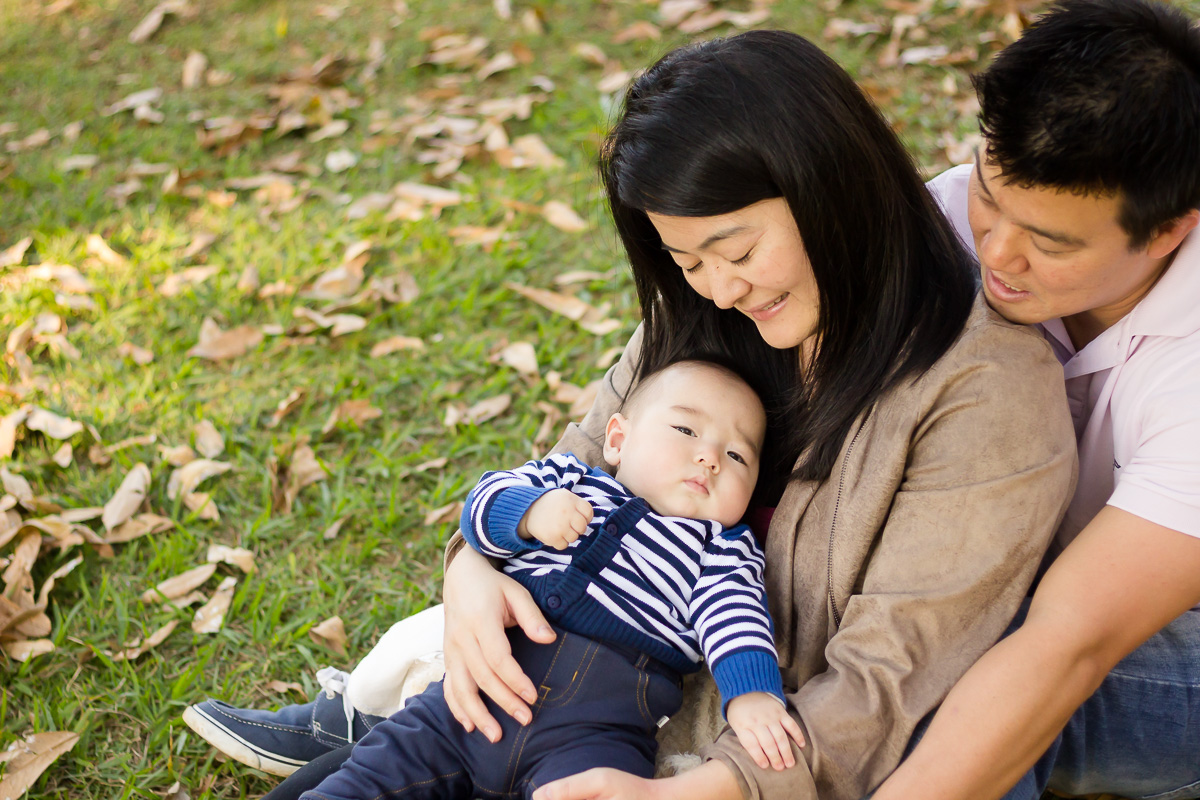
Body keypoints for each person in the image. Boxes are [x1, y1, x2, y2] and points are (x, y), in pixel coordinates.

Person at [185, 29, 1077, 800]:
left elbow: (890, 679)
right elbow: (571, 465)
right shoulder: (707, 318)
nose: (720, 290)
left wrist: (724, 781)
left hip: (739, 737)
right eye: (687, 259)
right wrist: (470, 574)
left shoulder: (988, 394)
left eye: (737, 250)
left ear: (830, 186)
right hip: (557, 670)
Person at [870, 2, 1200, 799]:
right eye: (990, 194)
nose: (996, 253)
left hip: (1163, 639)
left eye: (1051, 243)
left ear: (1167, 234)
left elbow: (1068, 645)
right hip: (1008, 573)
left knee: (951, 655)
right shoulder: (945, 220)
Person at [295, 359, 807, 800]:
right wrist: (530, 512)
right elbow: (482, 504)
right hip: (468, 707)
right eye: (686, 431)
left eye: (737, 455)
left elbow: (736, 616)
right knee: (368, 777)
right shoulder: (569, 479)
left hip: (596, 732)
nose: (710, 457)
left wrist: (752, 693)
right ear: (617, 439)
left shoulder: (720, 546)